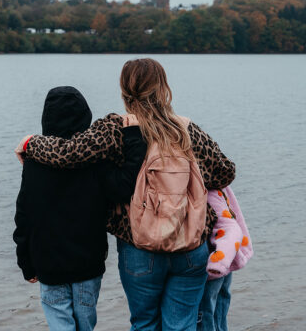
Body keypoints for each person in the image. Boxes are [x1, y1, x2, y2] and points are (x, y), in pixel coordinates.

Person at [15, 58, 236, 331]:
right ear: (163, 87)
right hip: (190, 246)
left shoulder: (114, 128)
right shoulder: (186, 129)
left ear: (124, 90)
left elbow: (67, 153)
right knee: (181, 325)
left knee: (144, 323)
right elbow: (225, 172)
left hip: (139, 247)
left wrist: (32, 143)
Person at [13, 86, 146, 331]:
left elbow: (24, 215)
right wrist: (134, 141)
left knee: (60, 325)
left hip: (49, 265)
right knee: (85, 325)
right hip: (88, 265)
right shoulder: (95, 160)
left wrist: (26, 263)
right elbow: (123, 187)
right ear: (85, 118)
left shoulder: (34, 163)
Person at [198, 186, 253, 331]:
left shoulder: (201, 178)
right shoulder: (220, 175)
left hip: (214, 256)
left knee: (206, 310)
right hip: (227, 251)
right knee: (219, 304)